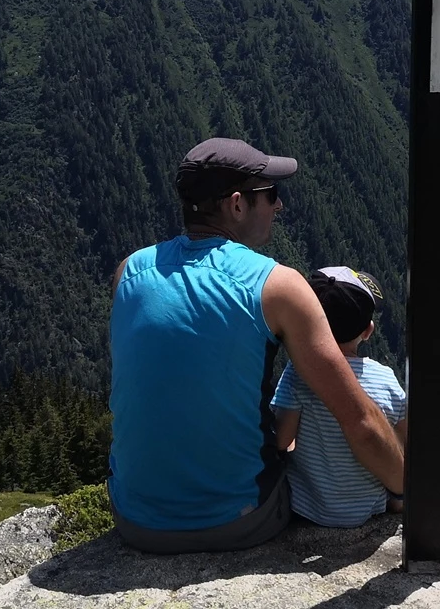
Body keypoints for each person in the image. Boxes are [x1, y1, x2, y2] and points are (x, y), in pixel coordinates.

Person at [107, 137, 405, 553]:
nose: (279, 206)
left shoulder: (129, 273)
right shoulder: (277, 286)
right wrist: (407, 488)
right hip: (240, 520)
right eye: (271, 195)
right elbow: (362, 425)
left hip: (135, 520)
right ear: (236, 205)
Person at [271, 266, 408, 526]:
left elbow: (281, 439)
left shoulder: (298, 373)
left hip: (305, 507)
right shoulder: (386, 377)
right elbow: (403, 439)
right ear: (368, 331)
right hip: (369, 509)